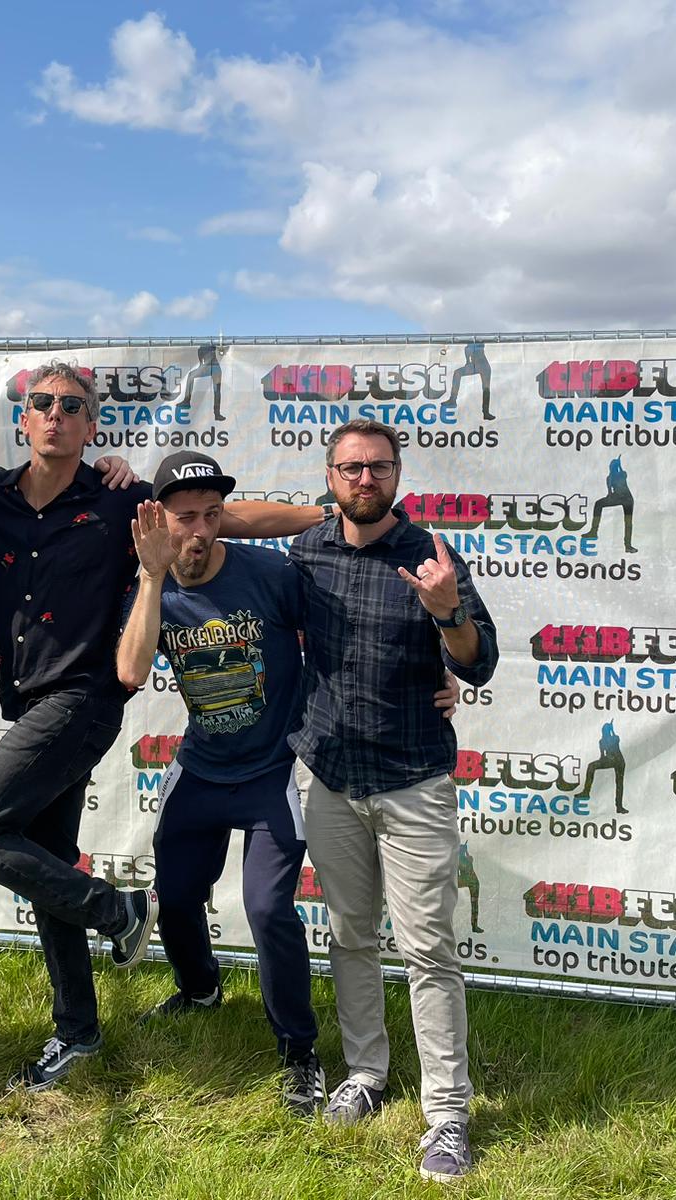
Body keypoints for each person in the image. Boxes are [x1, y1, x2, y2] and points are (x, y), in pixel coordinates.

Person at [0, 364, 320, 1091]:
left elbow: (228, 518)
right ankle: (77, 1031)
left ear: (92, 427)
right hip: (25, 702)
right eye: (42, 404)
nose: (56, 415)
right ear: (24, 418)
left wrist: (326, 515)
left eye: (73, 407)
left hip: (80, 701)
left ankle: (117, 910)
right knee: (44, 862)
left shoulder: (123, 502)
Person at [290, 418, 498, 1181]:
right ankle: (366, 1076)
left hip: (412, 779)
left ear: (399, 474)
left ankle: (447, 1115)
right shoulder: (306, 549)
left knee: (427, 950)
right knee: (349, 936)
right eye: (351, 468)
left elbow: (478, 666)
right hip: (330, 775)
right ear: (331, 474)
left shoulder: (434, 556)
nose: (364, 480)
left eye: (378, 468)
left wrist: (449, 614)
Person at [114, 452, 325, 1114]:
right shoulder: (152, 589)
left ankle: (299, 1051)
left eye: (212, 517)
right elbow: (130, 670)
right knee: (175, 896)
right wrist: (152, 579)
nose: (200, 532)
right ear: (157, 522)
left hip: (269, 773)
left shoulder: (268, 573)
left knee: (268, 910)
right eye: (184, 519)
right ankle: (200, 989)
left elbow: (338, 629)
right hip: (202, 767)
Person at [584, 457, 638, 553]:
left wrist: (619, 464)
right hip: (617, 497)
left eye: (614, 466)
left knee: (628, 522)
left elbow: (622, 473)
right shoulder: (609, 478)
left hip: (628, 499)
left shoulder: (622, 474)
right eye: (611, 466)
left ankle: (628, 546)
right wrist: (609, 497)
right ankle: (593, 531)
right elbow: (609, 492)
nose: (612, 468)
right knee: (598, 504)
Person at [580, 721, 627, 815]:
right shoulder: (601, 741)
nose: (604, 732)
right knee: (591, 766)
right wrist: (603, 761)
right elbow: (602, 756)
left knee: (619, 783)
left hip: (619, 761)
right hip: (609, 760)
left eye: (606, 730)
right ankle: (586, 792)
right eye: (604, 730)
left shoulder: (615, 738)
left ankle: (619, 806)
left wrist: (612, 730)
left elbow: (615, 740)